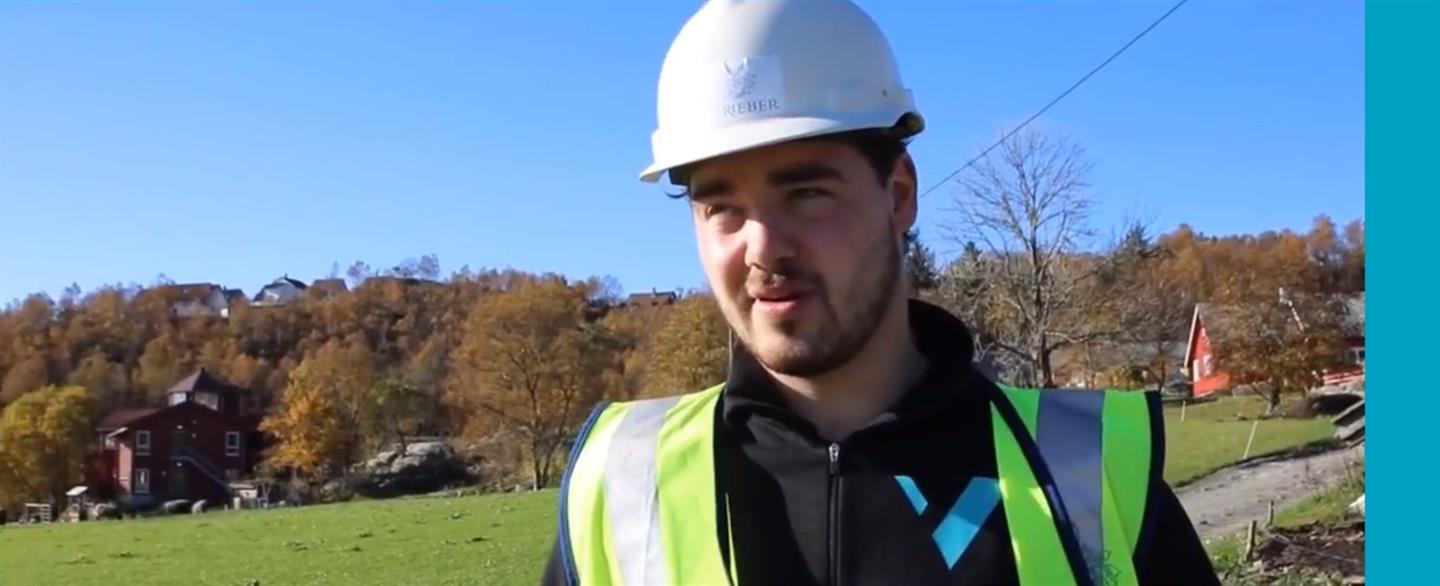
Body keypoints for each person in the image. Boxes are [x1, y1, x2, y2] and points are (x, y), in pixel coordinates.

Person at [541, 1, 1220, 584]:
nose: (763, 248)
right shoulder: (626, 485)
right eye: (721, 207)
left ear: (898, 195)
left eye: (806, 194)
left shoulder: (1084, 474)